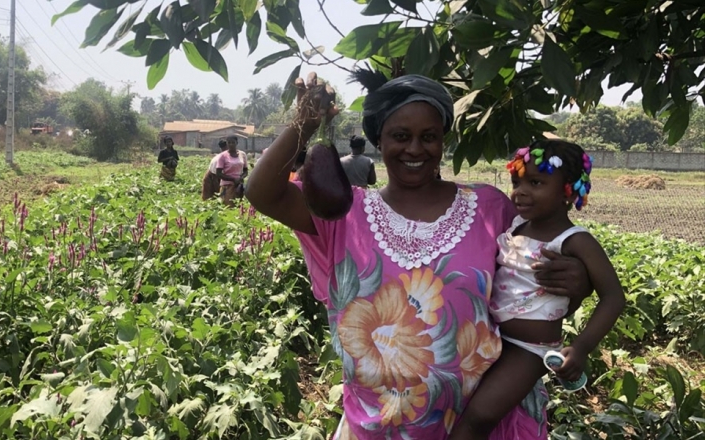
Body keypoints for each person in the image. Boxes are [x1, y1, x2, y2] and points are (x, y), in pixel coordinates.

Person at [244, 70, 593, 439]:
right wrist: (305, 123)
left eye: (429, 137)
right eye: (400, 136)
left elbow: (533, 290)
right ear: (379, 138)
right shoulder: (344, 213)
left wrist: (579, 282)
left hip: (480, 423)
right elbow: (262, 192)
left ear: (443, 140)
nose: (414, 148)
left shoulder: (489, 208)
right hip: (377, 426)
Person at [448, 141, 625, 439]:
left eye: (536, 182)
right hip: (492, 337)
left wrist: (581, 348)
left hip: (529, 350)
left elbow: (614, 297)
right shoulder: (516, 226)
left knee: (480, 416)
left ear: (568, 190)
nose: (520, 191)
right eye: (517, 182)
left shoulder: (574, 240)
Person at [215, 136, 248, 205]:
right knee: (228, 208)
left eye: (233, 142)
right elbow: (218, 173)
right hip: (227, 187)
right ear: (227, 144)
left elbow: (245, 171)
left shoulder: (242, 154)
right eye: (229, 143)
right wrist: (233, 179)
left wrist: (240, 178)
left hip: (239, 186)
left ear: (237, 143)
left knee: (240, 207)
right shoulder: (222, 156)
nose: (231, 144)